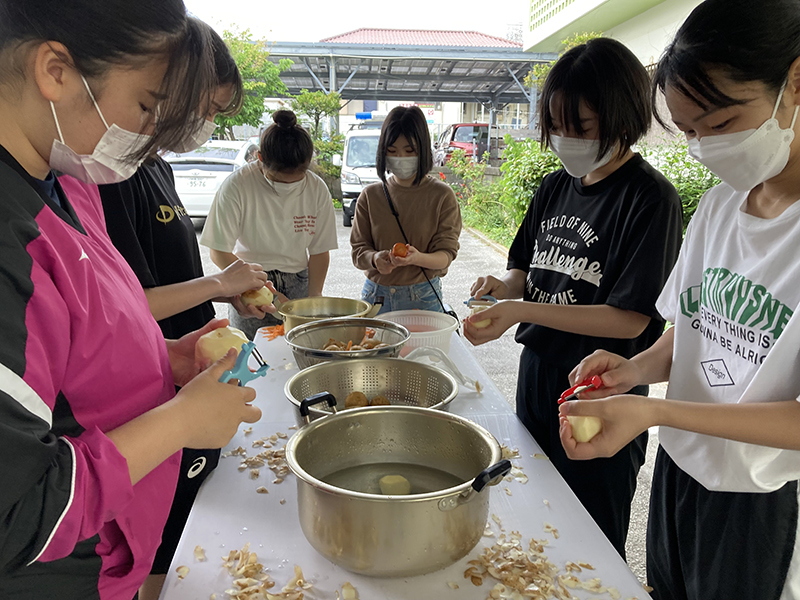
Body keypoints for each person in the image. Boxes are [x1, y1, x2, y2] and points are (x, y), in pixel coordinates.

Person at [0, 3, 261, 599]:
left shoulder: (66, 182)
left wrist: (163, 357)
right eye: (146, 106)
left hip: (114, 558)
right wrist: (181, 421)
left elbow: (81, 337)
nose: (149, 136)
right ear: (55, 71)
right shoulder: (10, 236)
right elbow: (14, 518)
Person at [559, 1, 800, 597]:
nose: (705, 147)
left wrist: (656, 410)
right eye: (690, 132)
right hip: (679, 470)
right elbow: (694, 328)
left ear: (795, 82)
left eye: (719, 125)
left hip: (758, 498)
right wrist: (633, 370)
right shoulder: (721, 206)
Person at [465, 38, 683, 557]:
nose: (565, 139)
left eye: (580, 128)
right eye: (556, 127)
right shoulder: (554, 187)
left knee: (590, 533)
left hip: (600, 385)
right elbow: (527, 270)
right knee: (533, 510)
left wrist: (517, 309)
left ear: (621, 117)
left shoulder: (650, 199)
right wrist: (505, 288)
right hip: (538, 372)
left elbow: (631, 321)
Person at [87, 20, 274, 600]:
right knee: (158, 538)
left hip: (183, 362)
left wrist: (218, 294)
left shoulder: (157, 166)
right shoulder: (106, 174)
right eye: (204, 106)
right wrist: (218, 282)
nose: (205, 124)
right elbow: (120, 306)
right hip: (147, 393)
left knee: (203, 507)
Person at [201, 109, 338, 340]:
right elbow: (219, 252)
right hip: (249, 282)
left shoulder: (316, 189)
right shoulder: (237, 186)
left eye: (299, 178)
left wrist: (314, 300)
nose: (289, 187)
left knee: (299, 354)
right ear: (260, 159)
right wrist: (260, 287)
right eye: (278, 180)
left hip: (299, 281)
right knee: (251, 357)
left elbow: (319, 251)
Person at [350, 105, 462, 314]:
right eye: (392, 151)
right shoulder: (370, 196)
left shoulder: (441, 196)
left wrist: (416, 258)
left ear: (423, 149)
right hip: (377, 297)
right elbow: (358, 251)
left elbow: (446, 255)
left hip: (423, 297)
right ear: (383, 152)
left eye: (409, 151)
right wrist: (376, 259)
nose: (400, 158)